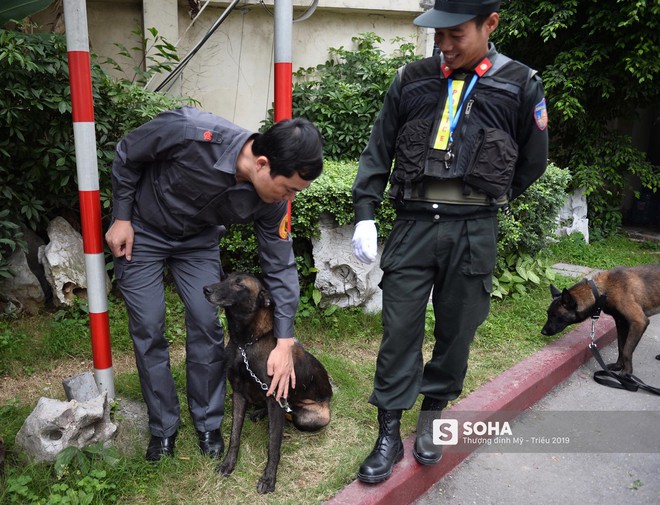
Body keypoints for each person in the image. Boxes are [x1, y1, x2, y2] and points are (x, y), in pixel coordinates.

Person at [351, 0, 548, 483]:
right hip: (413, 226)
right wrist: (365, 213)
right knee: (399, 333)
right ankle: (388, 433)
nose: (444, 45)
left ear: (491, 24)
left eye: (455, 34)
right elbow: (380, 148)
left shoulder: (520, 83)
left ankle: (431, 416)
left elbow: (532, 161)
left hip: (472, 231)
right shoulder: (411, 79)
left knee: (457, 333)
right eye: (438, 34)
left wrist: (487, 195)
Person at [105, 106, 323, 462]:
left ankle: (207, 422)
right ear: (263, 163)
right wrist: (122, 217)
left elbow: (280, 265)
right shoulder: (190, 131)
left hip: (198, 242)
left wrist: (285, 339)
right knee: (148, 326)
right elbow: (129, 152)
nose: (290, 199)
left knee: (207, 325)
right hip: (143, 229)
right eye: (288, 188)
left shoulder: (271, 202)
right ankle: (163, 427)